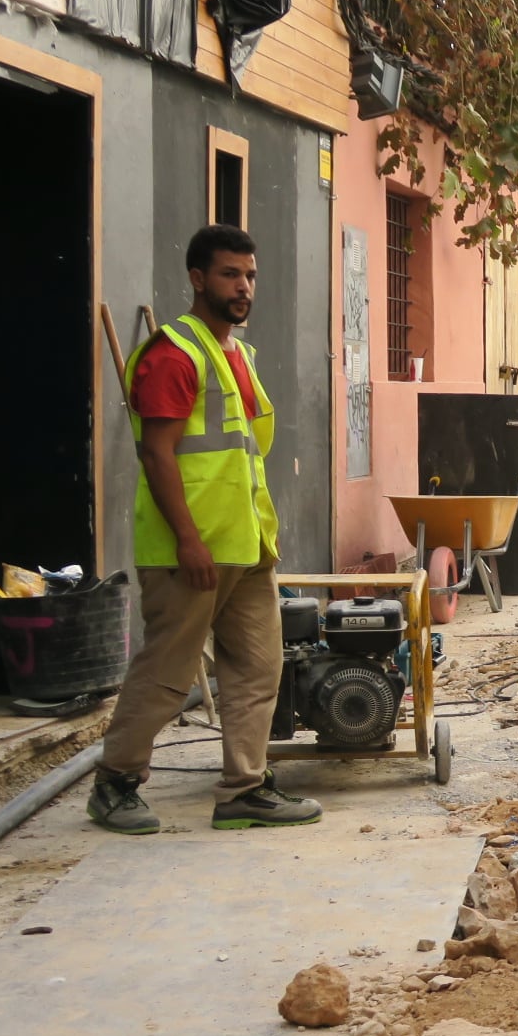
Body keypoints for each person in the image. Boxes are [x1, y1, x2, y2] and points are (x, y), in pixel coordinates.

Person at [86, 225, 323, 835]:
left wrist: (258, 540)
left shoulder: (235, 354)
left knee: (257, 668)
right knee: (167, 673)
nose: (243, 287)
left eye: (249, 275)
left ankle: (245, 788)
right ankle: (115, 782)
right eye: (229, 275)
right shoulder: (174, 354)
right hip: (188, 550)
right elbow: (158, 455)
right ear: (197, 279)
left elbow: (239, 456)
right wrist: (189, 540)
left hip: (245, 547)